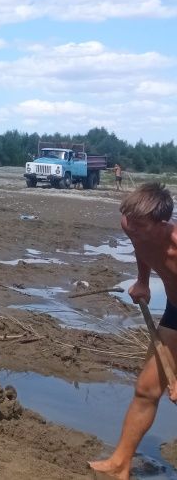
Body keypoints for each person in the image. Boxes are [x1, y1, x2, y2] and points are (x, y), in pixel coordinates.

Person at [89, 183, 176, 479]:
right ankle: (120, 464)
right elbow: (143, 248)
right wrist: (142, 281)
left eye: (139, 225)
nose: (130, 228)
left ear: (161, 224)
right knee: (147, 389)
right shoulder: (131, 224)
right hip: (175, 312)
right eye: (128, 220)